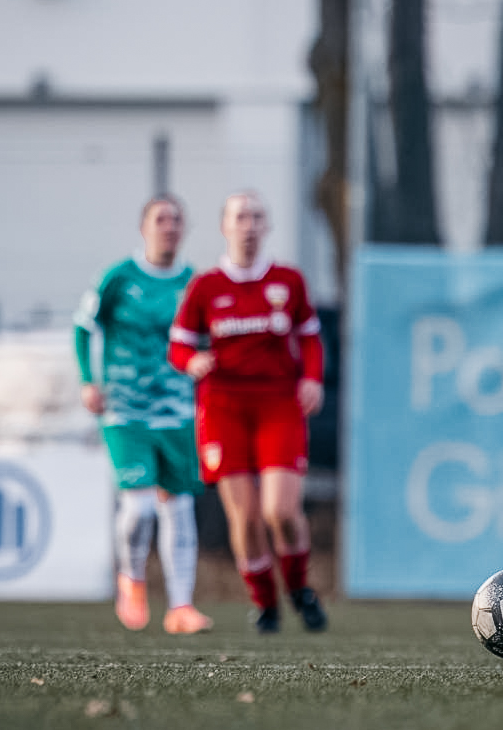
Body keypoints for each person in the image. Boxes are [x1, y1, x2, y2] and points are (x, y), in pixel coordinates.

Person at [168, 190, 328, 634]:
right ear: (225, 226)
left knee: (280, 511)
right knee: (247, 516)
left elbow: (311, 337)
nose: (249, 225)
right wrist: (191, 361)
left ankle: (299, 589)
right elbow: (179, 344)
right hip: (222, 408)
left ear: (267, 225)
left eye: (258, 216)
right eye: (241, 217)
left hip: (278, 404)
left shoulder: (288, 281)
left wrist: (311, 377)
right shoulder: (206, 286)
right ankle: (265, 604)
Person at [74, 193, 214, 635]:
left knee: (180, 508)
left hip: (178, 413)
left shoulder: (194, 283)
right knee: (139, 509)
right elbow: (83, 327)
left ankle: (181, 607)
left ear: (184, 228)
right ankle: (131, 578)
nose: (168, 227)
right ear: (144, 227)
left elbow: (211, 338)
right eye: (160, 219)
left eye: (176, 220)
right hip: (125, 412)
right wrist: (87, 380)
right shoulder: (118, 278)